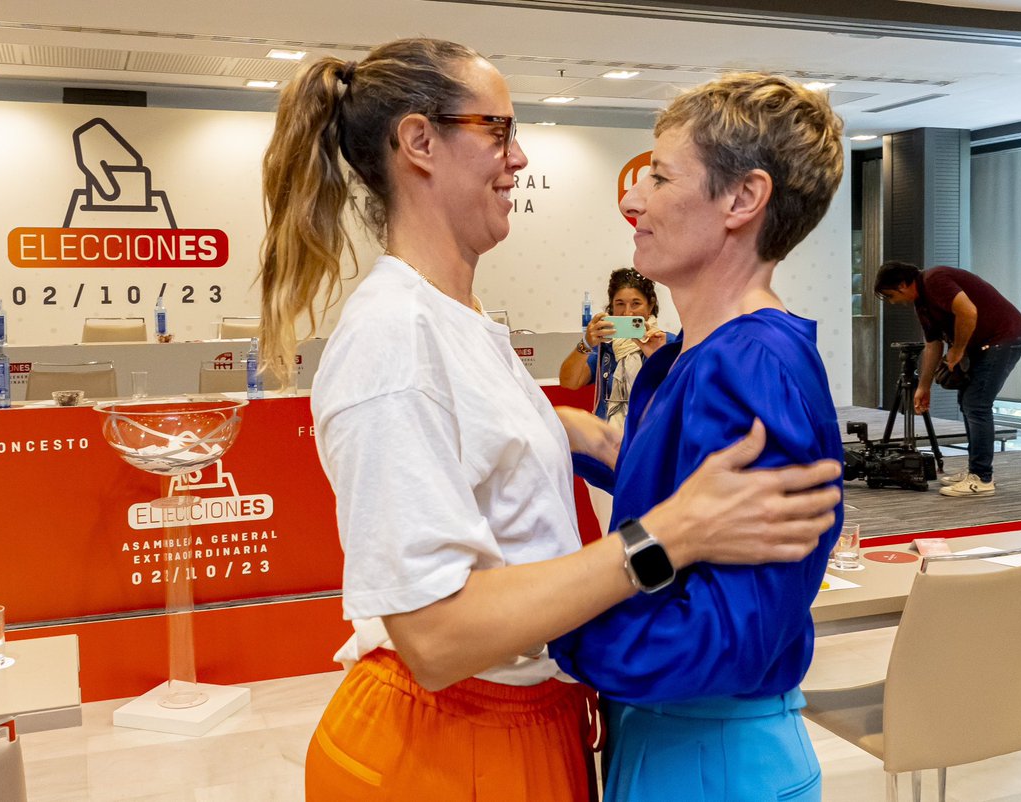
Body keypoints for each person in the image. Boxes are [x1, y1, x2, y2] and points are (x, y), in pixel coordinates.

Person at [257, 39, 843, 802]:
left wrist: (561, 433)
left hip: (557, 726)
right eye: (497, 130)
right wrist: (658, 542)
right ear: (420, 143)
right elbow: (435, 637)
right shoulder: (396, 337)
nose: (520, 156)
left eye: (660, 177)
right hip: (449, 741)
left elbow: (537, 447)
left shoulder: (464, 322)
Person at [549, 72, 846, 801]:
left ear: (743, 199)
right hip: (671, 743)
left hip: (708, 754)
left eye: (657, 175)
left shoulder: (750, 367)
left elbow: (731, 634)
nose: (631, 200)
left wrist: (554, 620)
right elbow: (694, 500)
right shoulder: (694, 354)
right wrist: (591, 439)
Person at [874, 261, 1021, 497]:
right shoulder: (922, 303)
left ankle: (981, 478)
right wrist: (923, 387)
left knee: (976, 404)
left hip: (1004, 338)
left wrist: (956, 350)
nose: (893, 302)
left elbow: (968, 311)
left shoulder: (935, 280)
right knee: (967, 402)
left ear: (903, 285)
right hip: (983, 345)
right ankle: (975, 470)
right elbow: (933, 345)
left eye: (890, 295)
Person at [559, 268, 668, 428]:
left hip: (649, 433)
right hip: (608, 434)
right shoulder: (604, 346)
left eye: (636, 304)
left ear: (650, 306)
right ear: (611, 306)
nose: (627, 313)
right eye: (620, 304)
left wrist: (657, 356)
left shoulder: (665, 341)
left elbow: (680, 391)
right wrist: (586, 344)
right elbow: (569, 382)